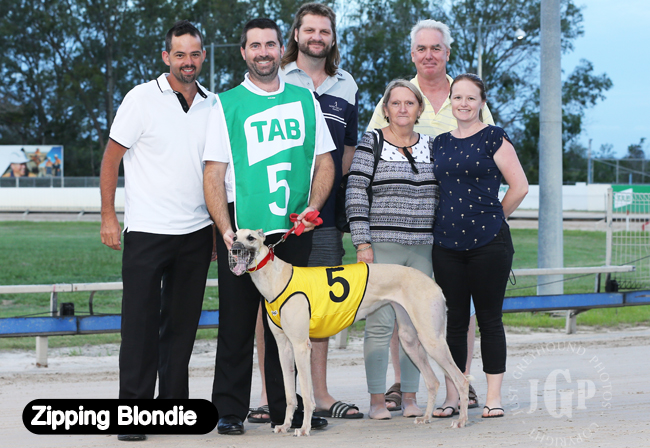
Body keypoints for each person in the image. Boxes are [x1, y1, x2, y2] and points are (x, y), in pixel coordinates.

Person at [203, 18, 336, 435]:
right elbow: (213, 174)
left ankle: (288, 409)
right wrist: (224, 229)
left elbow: (325, 162)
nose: (263, 52)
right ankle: (229, 410)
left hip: (291, 230)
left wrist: (313, 208)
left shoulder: (305, 99)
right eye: (255, 45)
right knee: (237, 321)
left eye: (270, 44)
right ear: (244, 52)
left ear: (283, 49)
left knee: (289, 324)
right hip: (244, 232)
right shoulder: (226, 104)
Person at [367, 19, 493, 410]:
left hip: (457, 227)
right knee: (400, 305)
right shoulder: (399, 95)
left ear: (447, 53)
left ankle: (461, 383)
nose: (428, 55)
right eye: (421, 48)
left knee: (457, 309)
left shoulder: (467, 94)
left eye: (436, 48)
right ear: (412, 54)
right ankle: (401, 383)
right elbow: (374, 152)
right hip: (410, 226)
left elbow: (490, 154)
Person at [99, 20, 214, 442]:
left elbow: (216, 172)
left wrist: (216, 229)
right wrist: (108, 216)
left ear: (203, 56)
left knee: (181, 329)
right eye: (179, 54)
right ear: (166, 57)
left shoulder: (213, 104)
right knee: (139, 327)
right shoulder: (141, 98)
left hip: (196, 233)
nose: (188, 61)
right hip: (147, 231)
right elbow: (111, 159)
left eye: (194, 53)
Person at [278, 2, 362, 420]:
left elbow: (347, 151)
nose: (316, 37)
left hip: (325, 214)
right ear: (296, 34)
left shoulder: (347, 84)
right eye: (309, 30)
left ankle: (321, 395)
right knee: (273, 304)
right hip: (277, 213)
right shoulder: (276, 77)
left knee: (322, 302)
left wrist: (321, 192)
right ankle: (275, 395)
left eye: (324, 31)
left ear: (332, 37)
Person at [430, 73, 528, 418]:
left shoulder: (494, 137)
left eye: (471, 98)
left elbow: (519, 186)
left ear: (482, 103)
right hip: (446, 245)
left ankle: (493, 398)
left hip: (489, 244)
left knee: (489, 320)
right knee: (454, 322)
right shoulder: (439, 143)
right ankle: (454, 397)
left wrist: (495, 218)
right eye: (458, 97)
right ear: (450, 102)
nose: (464, 103)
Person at [346, 79, 439, 420]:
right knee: (380, 325)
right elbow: (355, 191)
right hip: (381, 249)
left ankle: (411, 398)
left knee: (415, 328)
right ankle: (376, 401)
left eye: (409, 103)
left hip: (421, 250)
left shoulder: (432, 146)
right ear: (385, 109)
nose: (402, 109)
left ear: (419, 109)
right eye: (395, 103)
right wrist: (362, 242)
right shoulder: (371, 142)